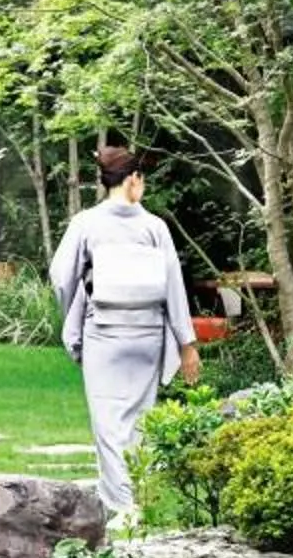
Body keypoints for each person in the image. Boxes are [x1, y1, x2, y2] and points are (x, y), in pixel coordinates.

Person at [50, 146, 200, 520]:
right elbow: (174, 289)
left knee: (108, 423)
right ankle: (128, 499)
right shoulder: (155, 228)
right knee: (137, 420)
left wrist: (75, 313)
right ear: (132, 180)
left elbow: (61, 278)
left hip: (104, 333)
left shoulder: (86, 223)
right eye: (142, 179)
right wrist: (187, 344)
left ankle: (121, 504)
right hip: (146, 333)